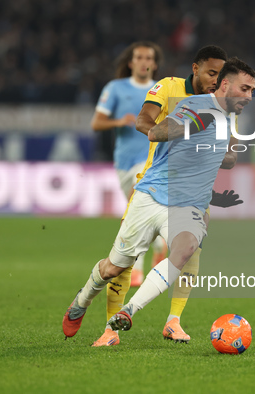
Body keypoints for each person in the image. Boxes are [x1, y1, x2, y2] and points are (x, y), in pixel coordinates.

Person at [63, 57, 255, 343]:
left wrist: (221, 151)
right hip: (152, 195)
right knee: (114, 267)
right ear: (226, 85)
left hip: (188, 204)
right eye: (245, 89)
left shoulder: (231, 116)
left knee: (186, 248)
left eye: (253, 90)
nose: (250, 96)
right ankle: (81, 300)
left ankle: (129, 311)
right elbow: (156, 132)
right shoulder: (193, 106)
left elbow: (229, 158)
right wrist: (194, 129)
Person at [90, 41, 167, 290]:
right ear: (131, 62)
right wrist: (118, 122)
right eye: (139, 57)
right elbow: (96, 123)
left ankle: (136, 269)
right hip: (125, 161)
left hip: (153, 161)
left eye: (148, 58)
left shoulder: (162, 89)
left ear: (154, 64)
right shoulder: (115, 88)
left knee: (141, 204)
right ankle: (158, 247)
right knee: (142, 212)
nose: (144, 62)